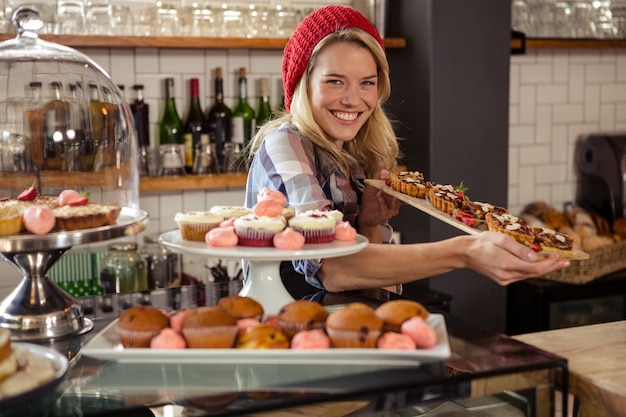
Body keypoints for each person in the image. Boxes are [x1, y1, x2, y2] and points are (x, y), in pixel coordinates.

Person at [245, 5, 569, 298]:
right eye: (335, 81)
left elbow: (379, 290)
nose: (352, 100)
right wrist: (465, 251)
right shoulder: (284, 144)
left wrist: (369, 226)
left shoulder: (360, 153)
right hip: (281, 338)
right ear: (303, 84)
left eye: (366, 83)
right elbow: (333, 269)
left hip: (346, 338)